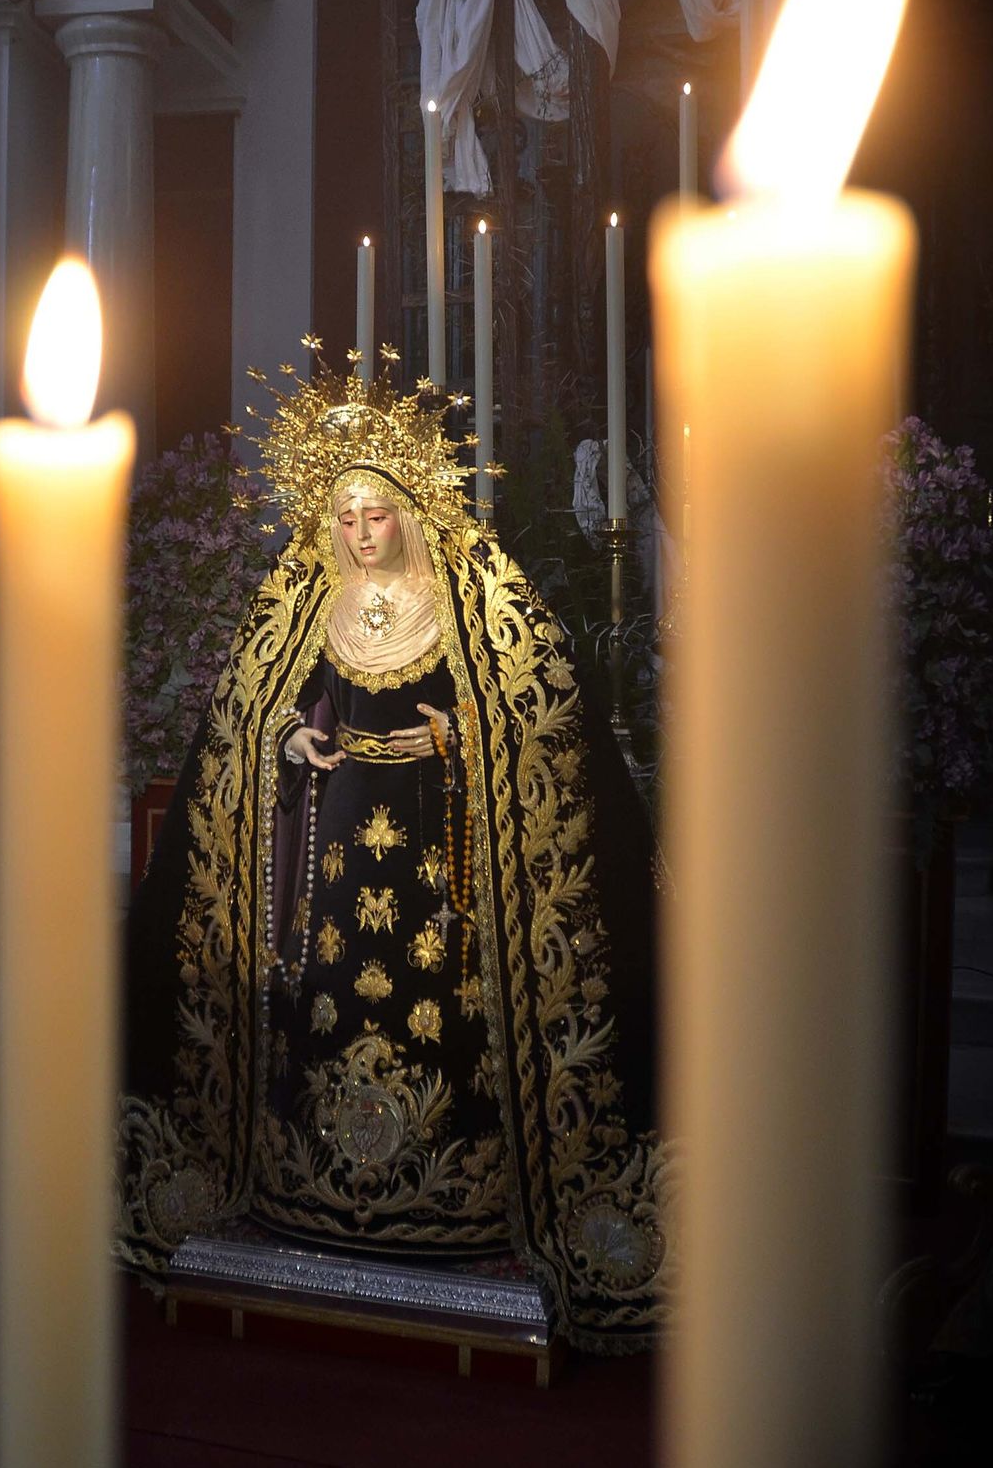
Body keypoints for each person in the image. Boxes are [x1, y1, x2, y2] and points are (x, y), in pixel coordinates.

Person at [119, 359, 671, 1352]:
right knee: (324, 1007)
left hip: (443, 875)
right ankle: (308, 1183)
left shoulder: (475, 598)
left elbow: (544, 723)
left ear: (411, 509)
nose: (358, 532)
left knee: (444, 1017)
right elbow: (244, 728)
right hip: (325, 867)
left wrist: (456, 738)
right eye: (343, 515)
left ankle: (461, 1198)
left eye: (375, 512)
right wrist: (291, 743)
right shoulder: (294, 605)